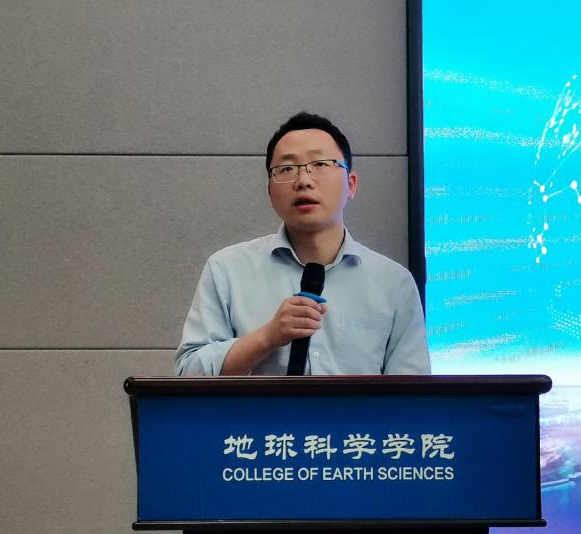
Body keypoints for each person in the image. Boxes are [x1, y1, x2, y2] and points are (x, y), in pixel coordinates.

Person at [174, 112, 431, 376]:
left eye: (320, 164)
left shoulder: (393, 283)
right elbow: (188, 373)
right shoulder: (227, 270)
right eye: (287, 169)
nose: (303, 181)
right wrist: (267, 337)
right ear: (270, 191)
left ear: (351, 184)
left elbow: (413, 393)